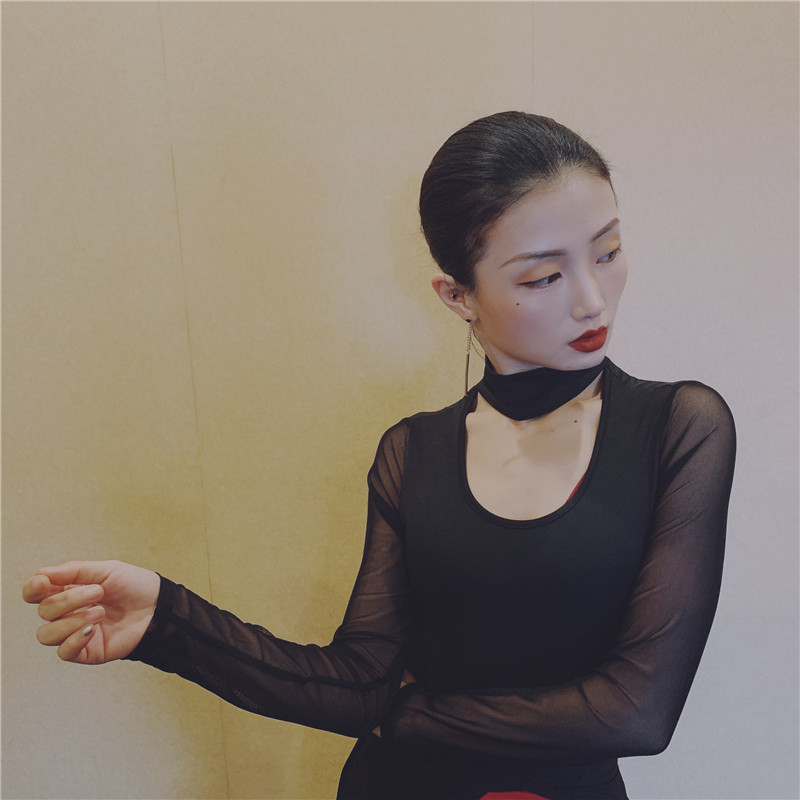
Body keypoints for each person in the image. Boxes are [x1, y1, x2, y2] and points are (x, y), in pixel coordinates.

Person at [23, 112, 736, 800]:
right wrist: (167, 620)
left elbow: (634, 712)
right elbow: (360, 680)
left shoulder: (678, 427)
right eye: (543, 277)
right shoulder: (413, 451)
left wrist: (398, 718)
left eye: (608, 252)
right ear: (457, 295)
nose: (592, 300)